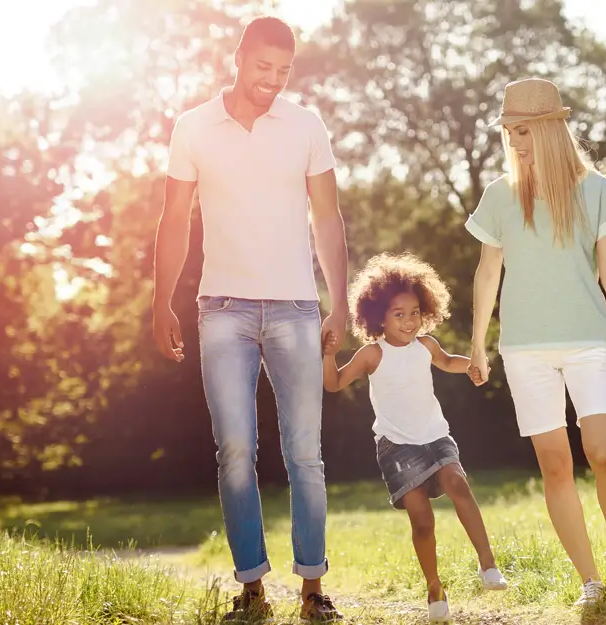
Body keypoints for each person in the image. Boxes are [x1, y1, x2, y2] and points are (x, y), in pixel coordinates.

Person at [151, 16, 347, 623]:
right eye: (264, 67)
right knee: (235, 450)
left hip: (295, 307)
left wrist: (338, 298)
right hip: (222, 310)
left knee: (305, 453)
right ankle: (252, 587)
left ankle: (313, 590)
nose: (273, 81)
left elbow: (329, 217)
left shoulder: (307, 125)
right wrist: (161, 300)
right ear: (239, 59)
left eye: (284, 71)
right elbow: (175, 219)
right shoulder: (192, 127)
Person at [464, 78, 606, 607]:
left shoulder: (594, 188)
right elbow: (486, 273)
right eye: (508, 131)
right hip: (524, 349)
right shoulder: (500, 195)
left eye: (522, 130)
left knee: (603, 453)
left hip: (590, 340)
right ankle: (590, 581)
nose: (514, 141)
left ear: (549, 129)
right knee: (554, 465)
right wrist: (478, 344)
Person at [322, 253, 508, 624]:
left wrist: (472, 364)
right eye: (398, 314)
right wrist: (328, 355)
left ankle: (488, 563)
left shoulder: (426, 345)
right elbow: (334, 383)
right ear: (378, 317)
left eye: (414, 312)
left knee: (458, 483)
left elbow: (447, 361)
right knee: (422, 520)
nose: (409, 321)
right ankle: (434, 586)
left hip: (435, 435)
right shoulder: (372, 354)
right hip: (396, 446)